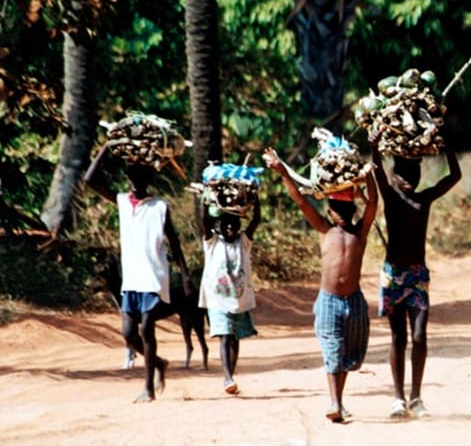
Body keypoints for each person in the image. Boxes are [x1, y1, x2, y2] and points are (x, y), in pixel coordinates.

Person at [264, 147, 378, 423]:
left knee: (348, 355)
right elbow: (302, 202)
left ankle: (339, 400)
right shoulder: (324, 230)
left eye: (346, 208)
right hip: (328, 301)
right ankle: (335, 403)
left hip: (354, 301)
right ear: (329, 209)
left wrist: (369, 177)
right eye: (337, 209)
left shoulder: (359, 233)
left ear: (353, 208)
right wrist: (282, 172)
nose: (341, 214)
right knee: (332, 350)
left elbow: (374, 205)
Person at [84, 145, 192, 403]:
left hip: (154, 277)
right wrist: (106, 148)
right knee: (128, 333)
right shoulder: (122, 201)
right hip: (131, 278)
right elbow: (89, 180)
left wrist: (185, 274)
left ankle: (148, 388)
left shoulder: (159, 207)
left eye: (138, 178)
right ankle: (158, 363)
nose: (133, 183)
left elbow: (174, 242)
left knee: (146, 330)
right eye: (130, 178)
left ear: (148, 180)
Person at [367, 134, 462, 419]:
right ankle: (398, 398)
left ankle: (416, 397)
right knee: (398, 337)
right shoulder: (391, 196)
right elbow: (377, 172)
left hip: (418, 277)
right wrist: (373, 146)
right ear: (394, 175)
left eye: (415, 171)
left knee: (419, 336)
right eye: (404, 172)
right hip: (393, 276)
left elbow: (454, 175)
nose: (410, 176)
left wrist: (448, 144)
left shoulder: (424, 199)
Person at [198, 194, 261, 396]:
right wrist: (205, 199)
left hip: (239, 300)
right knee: (225, 337)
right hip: (217, 300)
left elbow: (256, 219)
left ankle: (230, 375)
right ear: (217, 226)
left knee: (235, 339)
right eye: (225, 225)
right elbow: (203, 220)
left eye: (233, 224)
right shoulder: (212, 242)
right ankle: (227, 377)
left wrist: (255, 197)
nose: (230, 229)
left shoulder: (243, 242)